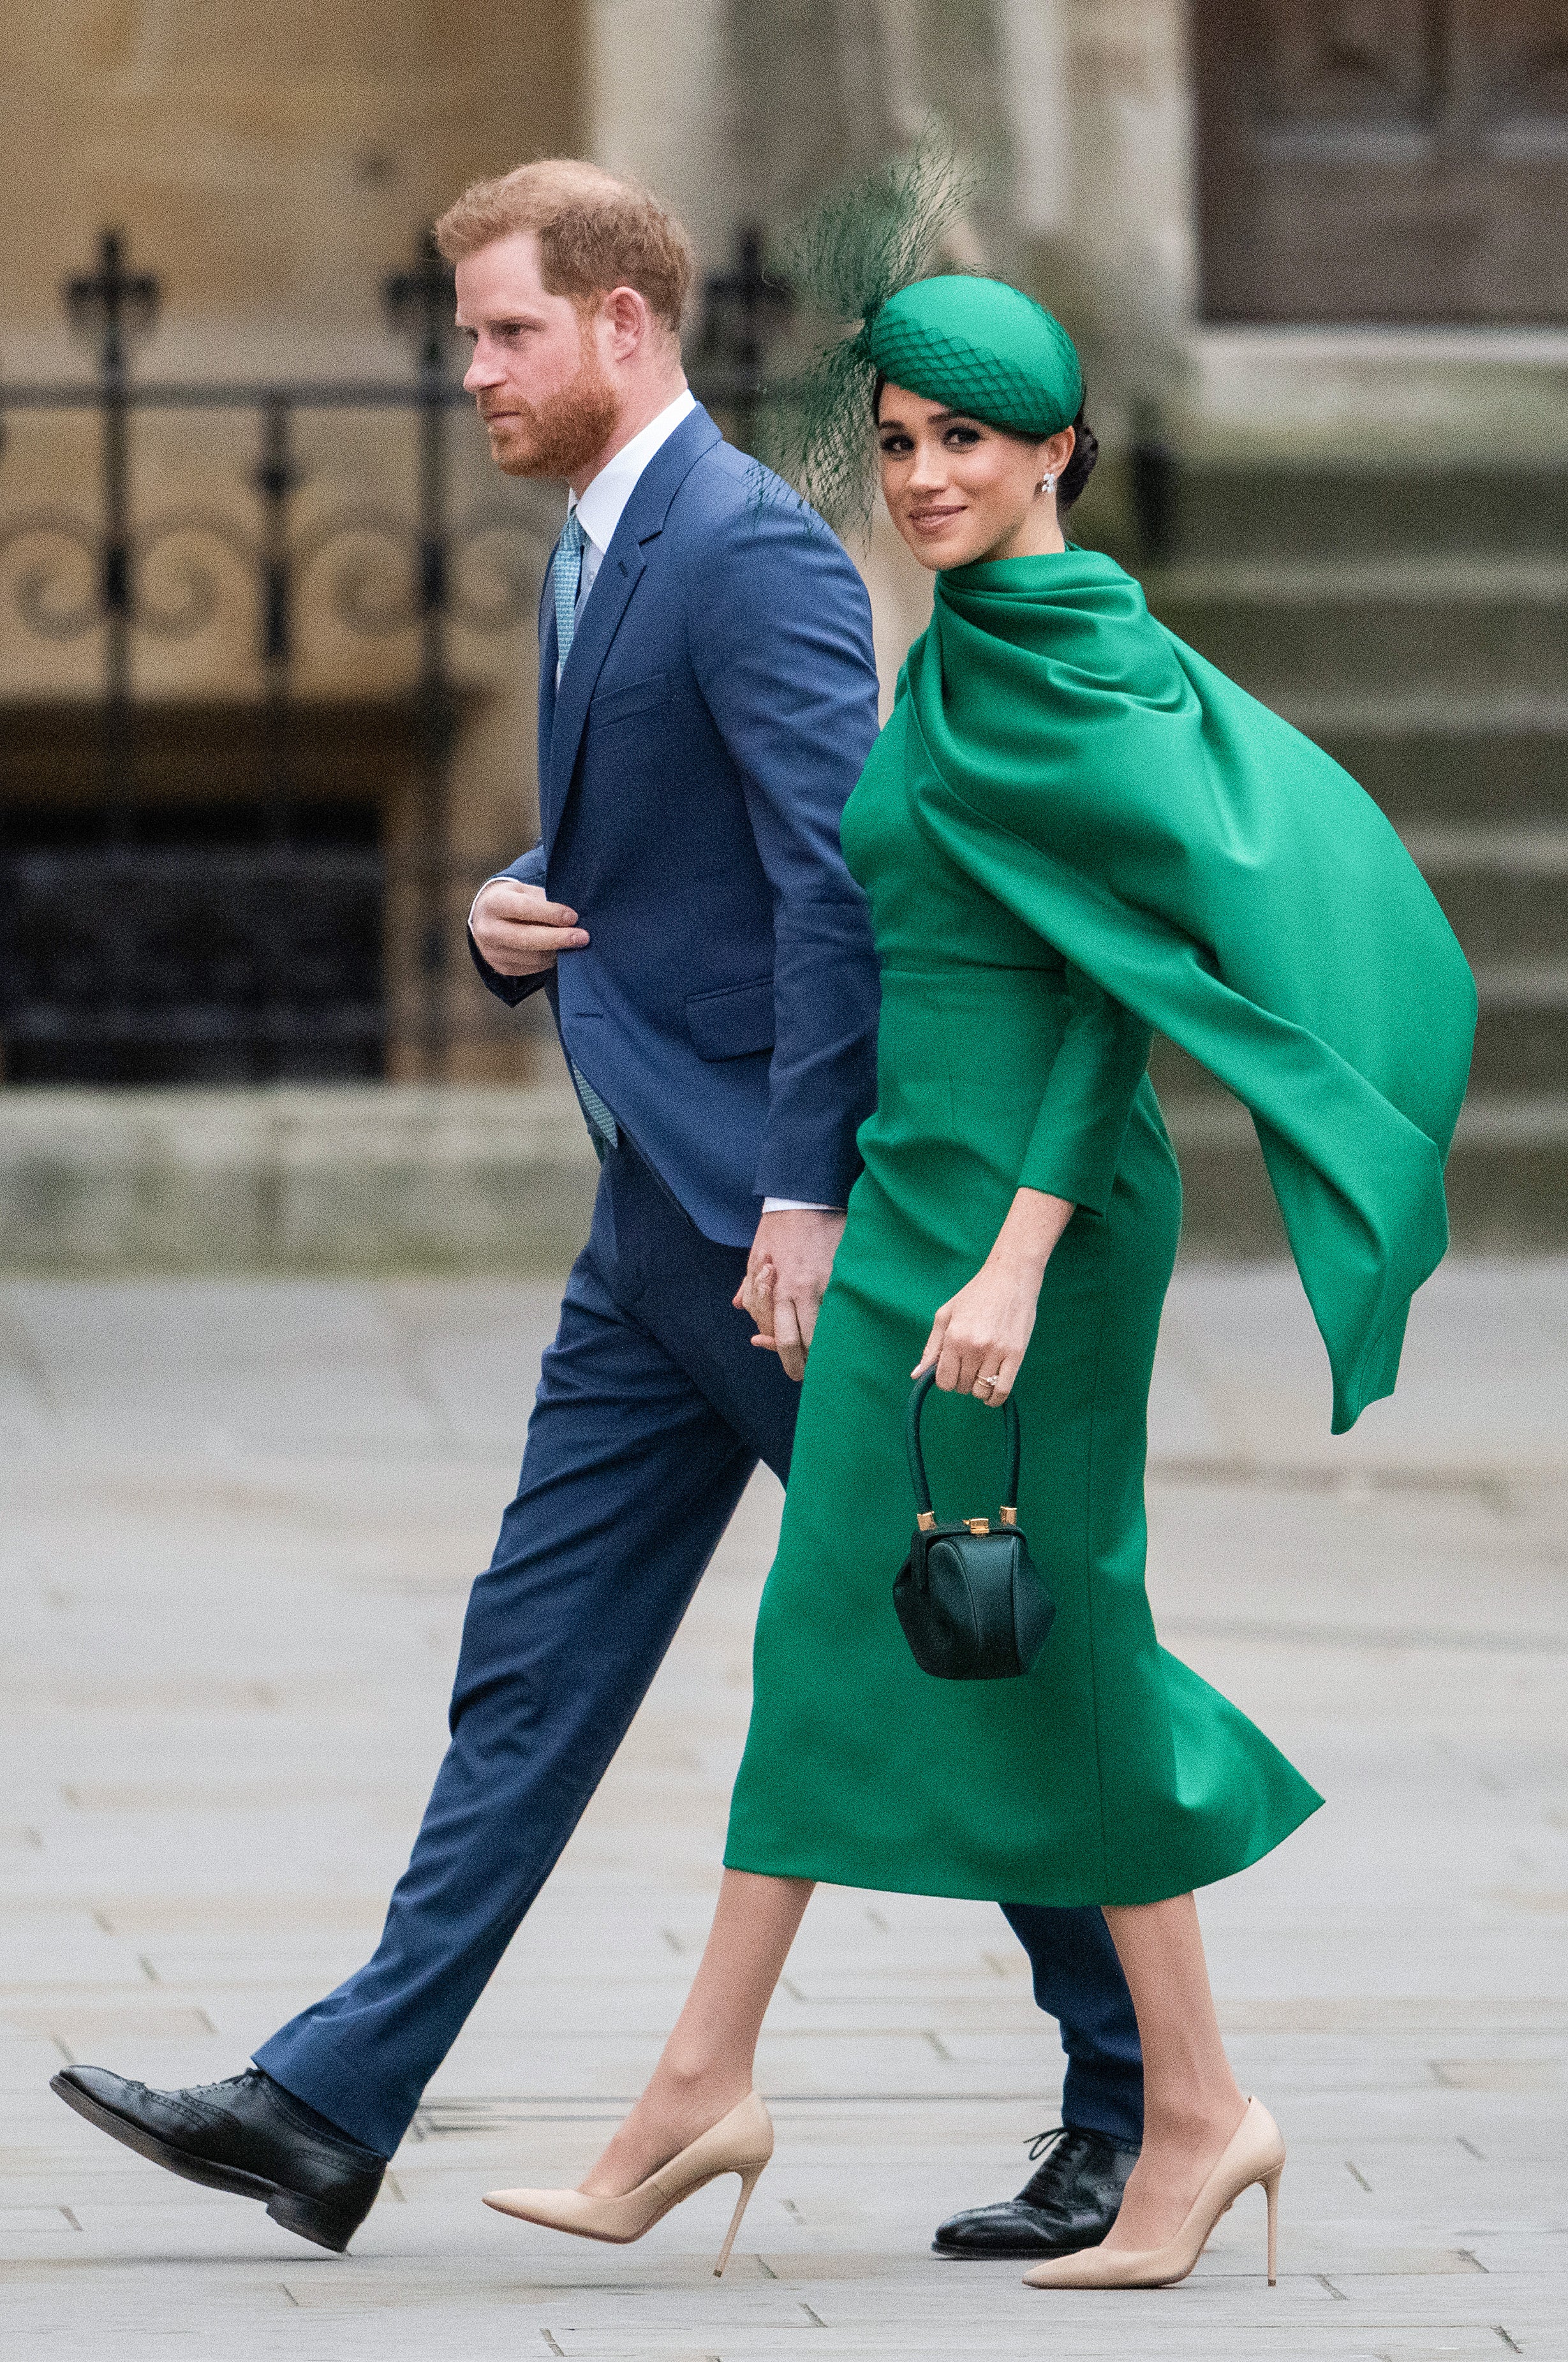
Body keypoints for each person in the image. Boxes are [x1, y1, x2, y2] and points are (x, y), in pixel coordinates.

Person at [49, 163, 1148, 2262]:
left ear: (622, 327)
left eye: (502, 332)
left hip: (769, 1241)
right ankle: (331, 2102)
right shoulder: (596, 541)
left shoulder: (742, 552)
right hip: (652, 1220)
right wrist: (505, 918)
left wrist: (809, 1200)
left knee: (959, 1649)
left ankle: (1134, 2099)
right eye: (468, 334)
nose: (471, 368)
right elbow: (662, 860)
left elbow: (839, 897)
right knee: (533, 1660)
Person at [481, 258, 1477, 2291]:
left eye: (966, 444)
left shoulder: (1074, 659)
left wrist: (1014, 1262)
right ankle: (735, 2086)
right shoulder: (952, 650)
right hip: (912, 1194)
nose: (924, 476)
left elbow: (1122, 999)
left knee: (1057, 1628)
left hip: (1033, 1224)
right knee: (857, 1625)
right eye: (904, 443)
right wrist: (818, 1195)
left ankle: (1162, 2111)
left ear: (1057, 456)